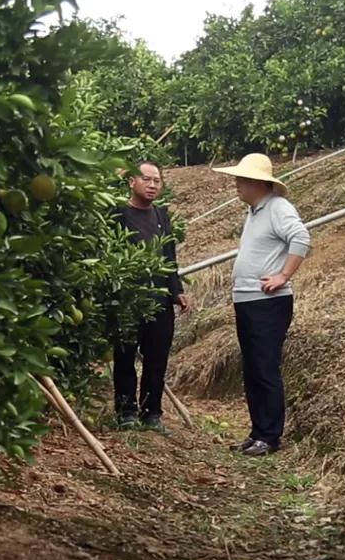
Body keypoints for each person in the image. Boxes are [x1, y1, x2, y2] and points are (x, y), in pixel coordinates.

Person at [213, 153, 310, 456]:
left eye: (241, 180)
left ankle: (270, 436)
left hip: (267, 303)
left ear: (257, 182)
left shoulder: (278, 208)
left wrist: (283, 274)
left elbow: (301, 238)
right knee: (253, 368)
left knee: (265, 367)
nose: (236, 186)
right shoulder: (256, 211)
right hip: (249, 302)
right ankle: (258, 432)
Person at [112, 161, 190, 434]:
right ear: (132, 181)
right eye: (147, 179)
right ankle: (126, 411)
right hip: (128, 300)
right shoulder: (117, 213)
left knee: (157, 359)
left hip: (159, 300)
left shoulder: (161, 216)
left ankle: (152, 413)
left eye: (157, 180)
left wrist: (177, 290)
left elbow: (170, 257)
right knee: (124, 357)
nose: (153, 185)